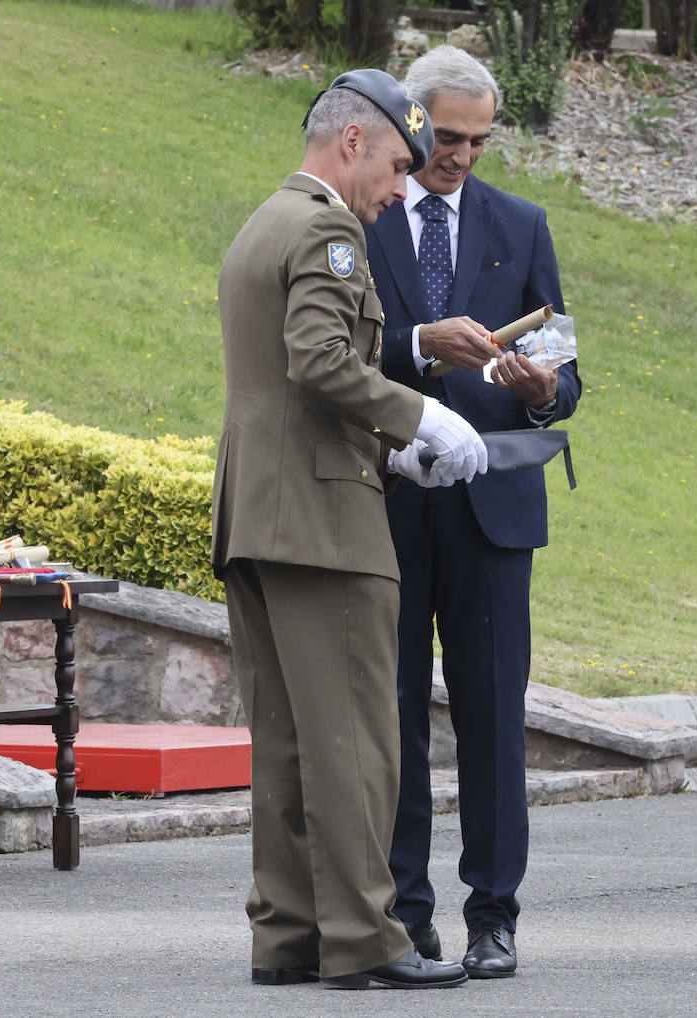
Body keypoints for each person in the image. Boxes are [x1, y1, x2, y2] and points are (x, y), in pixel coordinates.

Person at [212, 67, 492, 991]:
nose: (398, 192)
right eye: (398, 166)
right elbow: (319, 363)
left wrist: (388, 449)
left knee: (289, 740)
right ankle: (367, 940)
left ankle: (290, 934)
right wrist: (423, 420)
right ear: (352, 144)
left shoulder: (266, 221)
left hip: (258, 514)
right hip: (324, 523)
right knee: (356, 741)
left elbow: (290, 382)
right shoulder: (329, 225)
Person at [361, 45, 582, 979]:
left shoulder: (519, 224)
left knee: (494, 720)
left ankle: (495, 915)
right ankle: (407, 917)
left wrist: (541, 388)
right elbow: (341, 354)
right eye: (445, 137)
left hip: (496, 508)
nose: (458, 157)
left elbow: (566, 372)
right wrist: (422, 348)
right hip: (389, 502)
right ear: (412, 124)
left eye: (477, 141)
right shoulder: (361, 219)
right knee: (395, 713)